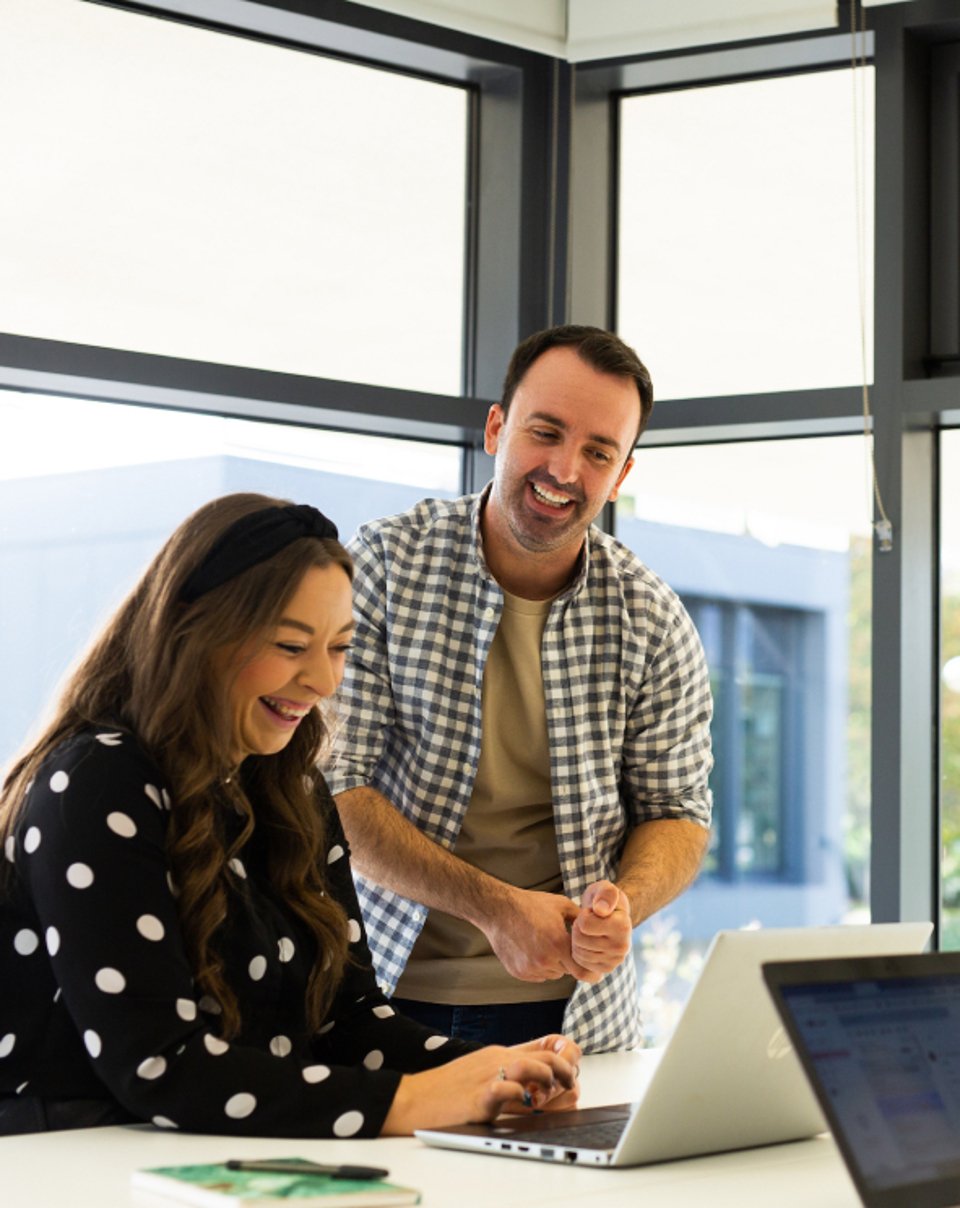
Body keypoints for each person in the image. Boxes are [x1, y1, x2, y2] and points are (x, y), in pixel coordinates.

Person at [0, 492, 579, 1136]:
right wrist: (416, 1103)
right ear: (195, 630)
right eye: (291, 645)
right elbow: (159, 1066)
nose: (324, 681)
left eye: (338, 648)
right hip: (71, 1169)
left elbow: (349, 1022)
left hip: (212, 1162)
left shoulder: (294, 790)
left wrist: (492, 1074)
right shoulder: (97, 782)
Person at [329, 325, 714, 1053]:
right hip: (378, 993)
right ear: (497, 428)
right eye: (546, 432)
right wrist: (496, 908)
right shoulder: (383, 564)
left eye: (598, 452)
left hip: (576, 1018)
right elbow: (338, 794)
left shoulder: (652, 617)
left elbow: (679, 813)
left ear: (621, 473)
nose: (564, 470)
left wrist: (619, 906)